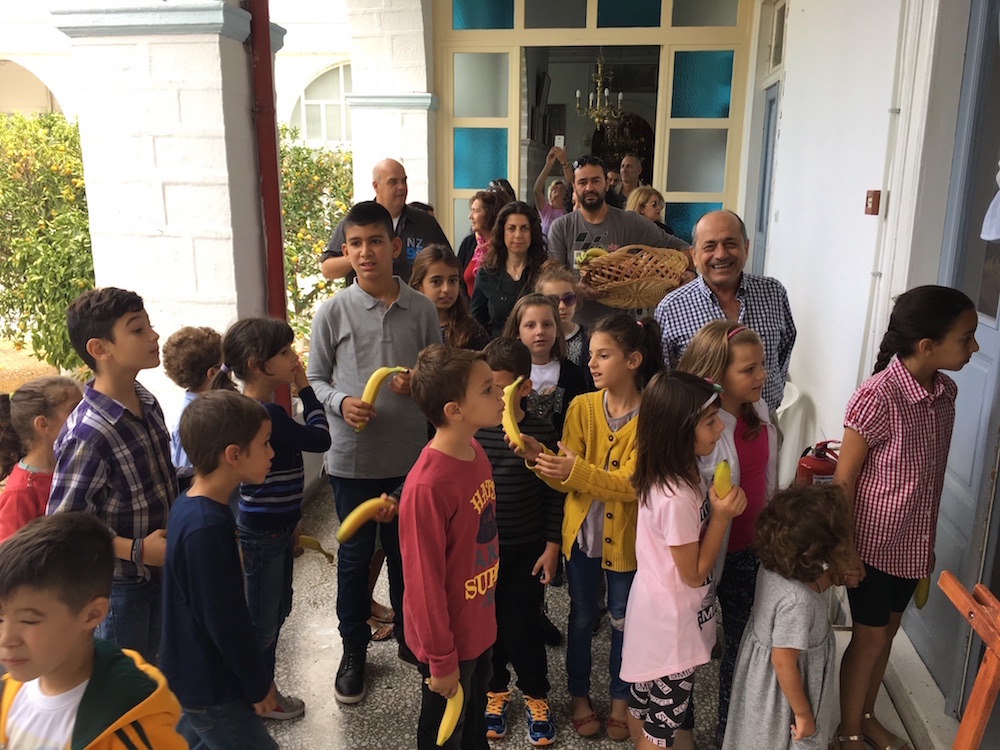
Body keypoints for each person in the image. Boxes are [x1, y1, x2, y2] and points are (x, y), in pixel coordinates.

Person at [831, 285, 978, 750]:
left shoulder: (945, 392)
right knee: (870, 639)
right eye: (966, 338)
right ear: (927, 345)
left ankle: (866, 715)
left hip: (911, 546)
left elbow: (928, 479)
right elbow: (843, 481)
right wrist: (845, 550)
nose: (975, 347)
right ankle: (848, 730)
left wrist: (926, 544)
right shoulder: (877, 397)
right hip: (871, 545)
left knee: (887, 635)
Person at [307, 201, 442, 704]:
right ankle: (353, 651)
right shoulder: (332, 311)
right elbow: (315, 378)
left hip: (411, 462)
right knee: (355, 559)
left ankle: (412, 639)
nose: (366, 253)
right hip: (353, 462)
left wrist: (419, 382)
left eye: (376, 242)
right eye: (356, 244)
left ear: (395, 246)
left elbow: (437, 373)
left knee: (409, 559)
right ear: (346, 251)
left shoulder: (422, 309)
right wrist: (341, 403)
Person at [515, 313, 663, 741]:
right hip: (581, 538)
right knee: (581, 617)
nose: (592, 363)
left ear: (633, 360)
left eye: (604, 355)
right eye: (591, 355)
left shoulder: (653, 415)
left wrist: (575, 470)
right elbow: (566, 478)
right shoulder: (581, 408)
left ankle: (620, 700)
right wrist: (540, 458)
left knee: (622, 619)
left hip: (628, 544)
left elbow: (632, 485)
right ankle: (579, 696)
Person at [48, 287, 177, 664]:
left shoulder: (146, 401)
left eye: (149, 326)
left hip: (161, 573)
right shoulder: (89, 434)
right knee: (126, 679)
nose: (154, 336)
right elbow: (66, 527)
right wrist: (138, 550)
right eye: (137, 330)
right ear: (99, 349)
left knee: (158, 674)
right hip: (121, 588)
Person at [211, 317, 331, 719]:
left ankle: (262, 688)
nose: (293, 357)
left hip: (273, 526)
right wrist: (307, 389)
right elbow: (320, 438)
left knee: (275, 611)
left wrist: (293, 520)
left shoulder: (255, 408)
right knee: (264, 622)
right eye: (283, 352)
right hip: (264, 533)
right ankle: (257, 696)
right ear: (257, 366)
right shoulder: (265, 414)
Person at [621, 371, 746, 750]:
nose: (720, 428)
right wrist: (721, 517)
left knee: (642, 704)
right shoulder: (676, 496)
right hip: (671, 628)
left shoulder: (671, 472)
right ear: (678, 432)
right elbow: (692, 574)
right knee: (661, 728)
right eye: (710, 421)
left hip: (654, 612)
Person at [0, 512, 186, 749]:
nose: (6, 639)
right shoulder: (9, 691)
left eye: (28, 621)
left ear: (92, 615)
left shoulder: (135, 732)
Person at [676, 320, 778, 745]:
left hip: (748, 552)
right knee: (685, 650)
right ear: (716, 375)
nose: (762, 376)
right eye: (748, 369)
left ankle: (727, 730)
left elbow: (766, 481)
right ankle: (680, 729)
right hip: (699, 557)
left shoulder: (762, 413)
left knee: (741, 646)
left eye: (761, 366)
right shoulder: (698, 426)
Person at [161, 390, 279, 749]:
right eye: (265, 444)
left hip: (192, 675)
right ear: (233, 455)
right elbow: (224, 621)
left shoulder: (191, 505)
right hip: (212, 686)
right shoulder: (206, 527)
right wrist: (257, 684)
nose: (272, 453)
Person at [400, 345, 503, 750]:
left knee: (475, 725)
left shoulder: (475, 449)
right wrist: (442, 661)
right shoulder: (427, 485)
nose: (500, 395)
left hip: (478, 624)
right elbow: (423, 585)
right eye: (488, 389)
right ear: (454, 410)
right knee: (444, 733)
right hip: (447, 644)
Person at [476, 337, 563, 745]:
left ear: (525, 387)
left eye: (501, 389)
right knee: (488, 628)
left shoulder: (542, 430)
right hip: (482, 552)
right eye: (487, 389)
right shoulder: (475, 431)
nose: (495, 398)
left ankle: (536, 694)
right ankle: (494, 690)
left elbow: (554, 495)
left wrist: (552, 546)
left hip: (527, 547)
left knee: (524, 626)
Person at [723, 484, 852, 750]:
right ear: (814, 553)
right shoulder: (797, 604)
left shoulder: (774, 567)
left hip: (761, 684)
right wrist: (803, 714)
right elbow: (783, 662)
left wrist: (831, 577)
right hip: (783, 699)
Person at [655, 209, 796, 414]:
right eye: (709, 246)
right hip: (698, 426)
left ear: (746, 248)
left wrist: (772, 396)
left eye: (730, 244)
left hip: (764, 421)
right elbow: (665, 377)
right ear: (694, 255)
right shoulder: (671, 308)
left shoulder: (774, 293)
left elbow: (784, 349)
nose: (721, 254)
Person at [547, 155, 687, 327]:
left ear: (607, 183)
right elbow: (553, 279)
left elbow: (679, 246)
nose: (589, 187)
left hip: (621, 328)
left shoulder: (631, 222)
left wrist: (689, 273)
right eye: (583, 182)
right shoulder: (561, 227)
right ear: (574, 186)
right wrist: (576, 289)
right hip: (574, 327)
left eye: (595, 181)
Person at [320, 158, 452, 283]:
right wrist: (360, 256)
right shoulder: (356, 222)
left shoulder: (425, 222)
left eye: (403, 181)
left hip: (411, 299)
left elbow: (450, 263)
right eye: (393, 182)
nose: (401, 187)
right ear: (376, 186)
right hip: (366, 299)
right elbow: (327, 269)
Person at [0, 376, 81, 542]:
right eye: (75, 410)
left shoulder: (74, 462)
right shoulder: (21, 492)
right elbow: (11, 552)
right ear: (43, 424)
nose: (86, 415)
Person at [501, 294, 587, 437]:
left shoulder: (572, 373)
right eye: (530, 325)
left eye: (547, 324)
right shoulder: (506, 373)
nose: (540, 331)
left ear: (557, 329)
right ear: (517, 331)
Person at [472, 201, 549, 338]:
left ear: (532, 232)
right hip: (497, 347)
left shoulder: (545, 271)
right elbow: (476, 322)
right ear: (502, 232)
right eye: (511, 228)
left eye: (524, 228)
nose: (518, 235)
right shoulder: (486, 273)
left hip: (537, 346)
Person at [161, 325, 223, 493]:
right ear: (213, 373)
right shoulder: (193, 420)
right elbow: (188, 475)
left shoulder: (214, 407)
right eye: (225, 367)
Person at [410, 244, 491, 350]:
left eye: (452, 281)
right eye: (436, 282)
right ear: (419, 286)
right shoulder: (408, 326)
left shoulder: (471, 331)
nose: (446, 289)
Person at [534, 261, 591, 384]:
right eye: (553, 300)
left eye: (568, 298)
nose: (562, 306)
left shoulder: (590, 338)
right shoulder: (534, 338)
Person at [456, 191, 503, 297]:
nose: (470, 216)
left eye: (475, 211)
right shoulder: (469, 243)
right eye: (471, 210)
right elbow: (458, 280)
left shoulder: (503, 245)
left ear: (489, 214)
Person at [532, 146, 573, 235]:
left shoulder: (570, 210)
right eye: (554, 188)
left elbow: (572, 184)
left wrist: (564, 162)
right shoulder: (546, 210)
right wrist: (549, 164)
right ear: (550, 196)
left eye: (562, 187)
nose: (558, 188)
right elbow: (537, 191)